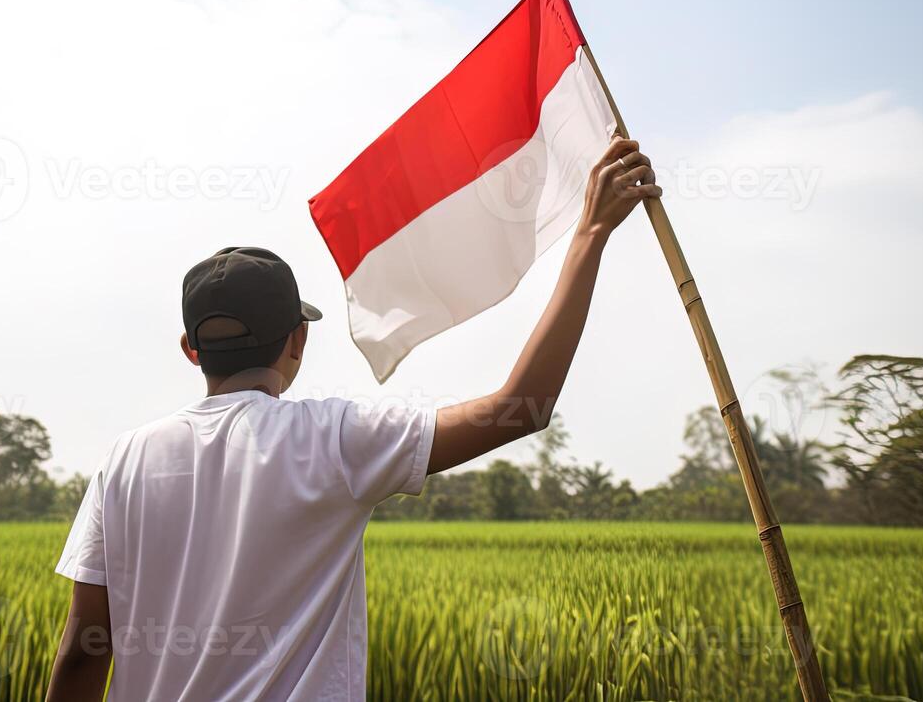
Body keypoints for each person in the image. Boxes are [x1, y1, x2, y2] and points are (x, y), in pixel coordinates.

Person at [44, 137, 658, 701]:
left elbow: (81, 654)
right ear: (296, 344)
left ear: (191, 349)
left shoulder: (123, 460)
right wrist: (590, 232)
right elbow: (520, 408)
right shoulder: (333, 440)